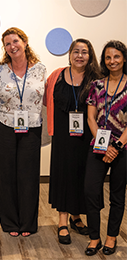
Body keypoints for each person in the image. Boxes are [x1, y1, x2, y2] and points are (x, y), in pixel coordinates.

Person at [44, 39, 101, 244]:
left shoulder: (96, 79)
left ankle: (77, 216)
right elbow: (45, 99)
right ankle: (62, 221)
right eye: (76, 51)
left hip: (87, 135)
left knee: (82, 174)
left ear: (90, 55)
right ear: (69, 54)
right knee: (64, 174)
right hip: (62, 136)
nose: (79, 55)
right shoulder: (57, 76)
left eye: (84, 52)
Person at [0, 27, 46, 237]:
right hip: (5, 123)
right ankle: (10, 222)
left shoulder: (40, 69)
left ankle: (28, 223)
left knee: (29, 175)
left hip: (32, 126)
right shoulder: (0, 70)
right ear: (5, 48)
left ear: (24, 42)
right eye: (7, 43)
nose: (12, 46)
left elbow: (46, 97)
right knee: (6, 174)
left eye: (15, 41)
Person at [84, 40, 127, 256]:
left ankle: (111, 237)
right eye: (108, 57)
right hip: (99, 145)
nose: (112, 61)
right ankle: (94, 237)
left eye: (116, 57)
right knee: (91, 190)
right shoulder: (96, 85)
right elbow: (91, 118)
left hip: (124, 148)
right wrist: (107, 145)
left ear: (124, 59)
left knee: (117, 196)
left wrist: (117, 146)